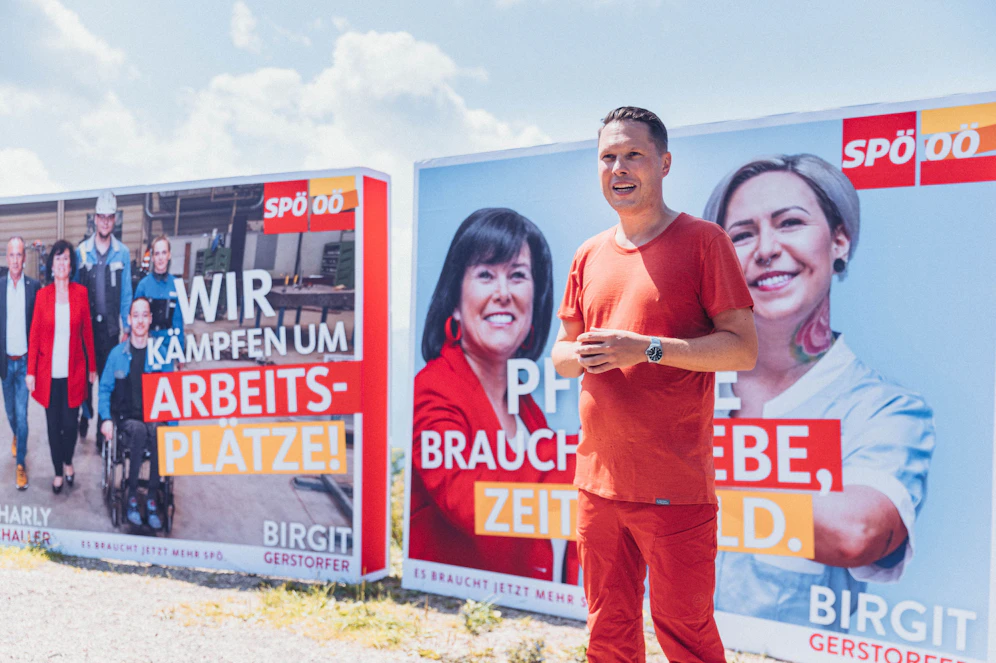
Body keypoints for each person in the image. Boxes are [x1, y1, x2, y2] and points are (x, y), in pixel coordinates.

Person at [551, 107, 756, 663]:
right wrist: (587, 356)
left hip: (675, 487)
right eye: (608, 157)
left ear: (664, 163)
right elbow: (561, 356)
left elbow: (742, 345)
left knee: (685, 636)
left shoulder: (703, 241)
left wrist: (646, 349)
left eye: (633, 155)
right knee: (607, 635)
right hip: (598, 485)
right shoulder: (588, 254)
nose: (619, 168)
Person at [701, 154, 935, 628]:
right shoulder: (680, 393)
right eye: (741, 235)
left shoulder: (886, 412)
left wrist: (664, 485)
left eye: (790, 223)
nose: (766, 249)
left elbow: (856, 533)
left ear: (840, 240)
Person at [411, 207, 578, 583]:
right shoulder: (433, 389)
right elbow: (476, 504)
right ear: (454, 298)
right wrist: (586, 450)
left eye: (518, 276)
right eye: (485, 275)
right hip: (460, 618)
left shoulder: (526, 406)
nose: (503, 293)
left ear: (536, 301)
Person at [26, 240, 97, 494]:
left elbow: (87, 332)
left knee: (70, 425)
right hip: (48, 375)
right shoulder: (42, 296)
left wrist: (92, 366)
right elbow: (34, 335)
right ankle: (59, 471)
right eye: (57, 259)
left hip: (73, 373)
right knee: (52, 427)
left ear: (71, 264)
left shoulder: (81, 293)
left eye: (66, 258)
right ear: (51, 265)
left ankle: (68, 460)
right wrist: (31, 371)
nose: (61, 263)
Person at [98, 297, 171, 529]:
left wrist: (174, 427)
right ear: (129, 320)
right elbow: (104, 389)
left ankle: (150, 499)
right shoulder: (117, 354)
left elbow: (174, 393)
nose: (140, 320)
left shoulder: (161, 354)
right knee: (139, 431)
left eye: (144, 315)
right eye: (135, 316)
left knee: (159, 431)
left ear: (150, 319)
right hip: (127, 420)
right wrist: (106, 419)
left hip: (153, 417)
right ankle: (131, 496)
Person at [75, 190, 133, 445]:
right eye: (102, 217)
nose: (106, 222)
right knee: (86, 381)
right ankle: (85, 415)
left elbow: (126, 294)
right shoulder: (82, 252)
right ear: (95, 219)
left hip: (110, 330)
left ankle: (102, 429)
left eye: (110, 217)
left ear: (114, 220)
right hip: (86, 331)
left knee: (106, 382)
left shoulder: (122, 253)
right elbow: (75, 291)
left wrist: (127, 326)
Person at [1, 237, 41, 490]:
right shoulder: (0, 286)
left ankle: (21, 464)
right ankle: (16, 435)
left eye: (19, 255)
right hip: (6, 364)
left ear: (24, 258)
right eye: (11, 255)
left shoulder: (34, 287)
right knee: (11, 414)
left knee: (23, 416)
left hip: (25, 363)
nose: (15, 260)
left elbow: (38, 327)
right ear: (7, 259)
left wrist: (36, 365)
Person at [134, 235, 184, 357]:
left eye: (164, 253)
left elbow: (178, 321)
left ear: (169, 255)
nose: (160, 258)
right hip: (147, 347)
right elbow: (136, 320)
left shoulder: (176, 285)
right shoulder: (143, 286)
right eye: (157, 254)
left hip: (168, 347)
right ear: (152, 257)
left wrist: (180, 351)